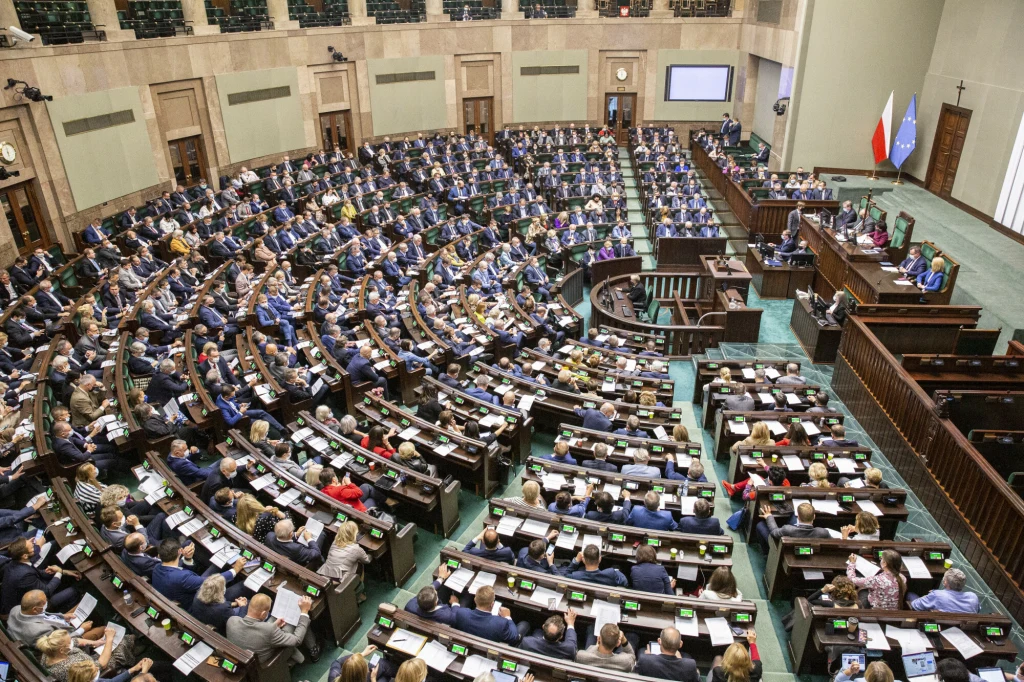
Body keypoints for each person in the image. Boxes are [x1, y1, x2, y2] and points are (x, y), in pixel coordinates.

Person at [226, 592, 313, 665]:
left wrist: (274, 626)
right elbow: (297, 640)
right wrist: (304, 611)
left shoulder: (231, 620)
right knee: (296, 621)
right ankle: (312, 649)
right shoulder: (269, 630)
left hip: (244, 660)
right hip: (264, 665)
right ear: (263, 614)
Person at [452, 585, 529, 645]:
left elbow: (455, 612)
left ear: (475, 600)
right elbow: (514, 637)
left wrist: (454, 603)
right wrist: (507, 617)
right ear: (492, 604)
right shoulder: (501, 623)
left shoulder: (461, 613)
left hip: (470, 643)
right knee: (525, 624)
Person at [756, 501, 831, 552]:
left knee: (760, 525)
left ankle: (767, 554)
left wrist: (769, 516)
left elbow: (774, 532)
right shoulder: (823, 532)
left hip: (784, 551)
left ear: (798, 517)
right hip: (805, 550)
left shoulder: (787, 529)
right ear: (814, 517)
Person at [909, 567, 979, 613]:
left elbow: (915, 605)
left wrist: (928, 597)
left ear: (945, 582)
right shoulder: (973, 597)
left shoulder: (937, 595)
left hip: (936, 625)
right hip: (961, 628)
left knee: (910, 594)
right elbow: (977, 610)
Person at [563, 544, 628, 587]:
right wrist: (617, 571)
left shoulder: (576, 576)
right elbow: (625, 582)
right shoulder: (611, 573)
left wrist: (576, 560)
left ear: (583, 560)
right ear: (600, 559)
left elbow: (566, 575)